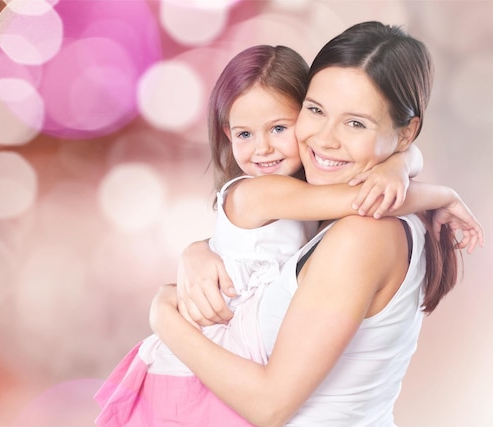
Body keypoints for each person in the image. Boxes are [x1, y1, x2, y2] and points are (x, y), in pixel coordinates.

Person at [95, 37, 483, 426]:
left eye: (355, 122)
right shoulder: (284, 200)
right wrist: (416, 177)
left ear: (405, 131)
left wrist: (164, 315)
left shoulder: (363, 234)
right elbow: (358, 197)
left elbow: (270, 405)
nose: (325, 138)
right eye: (316, 111)